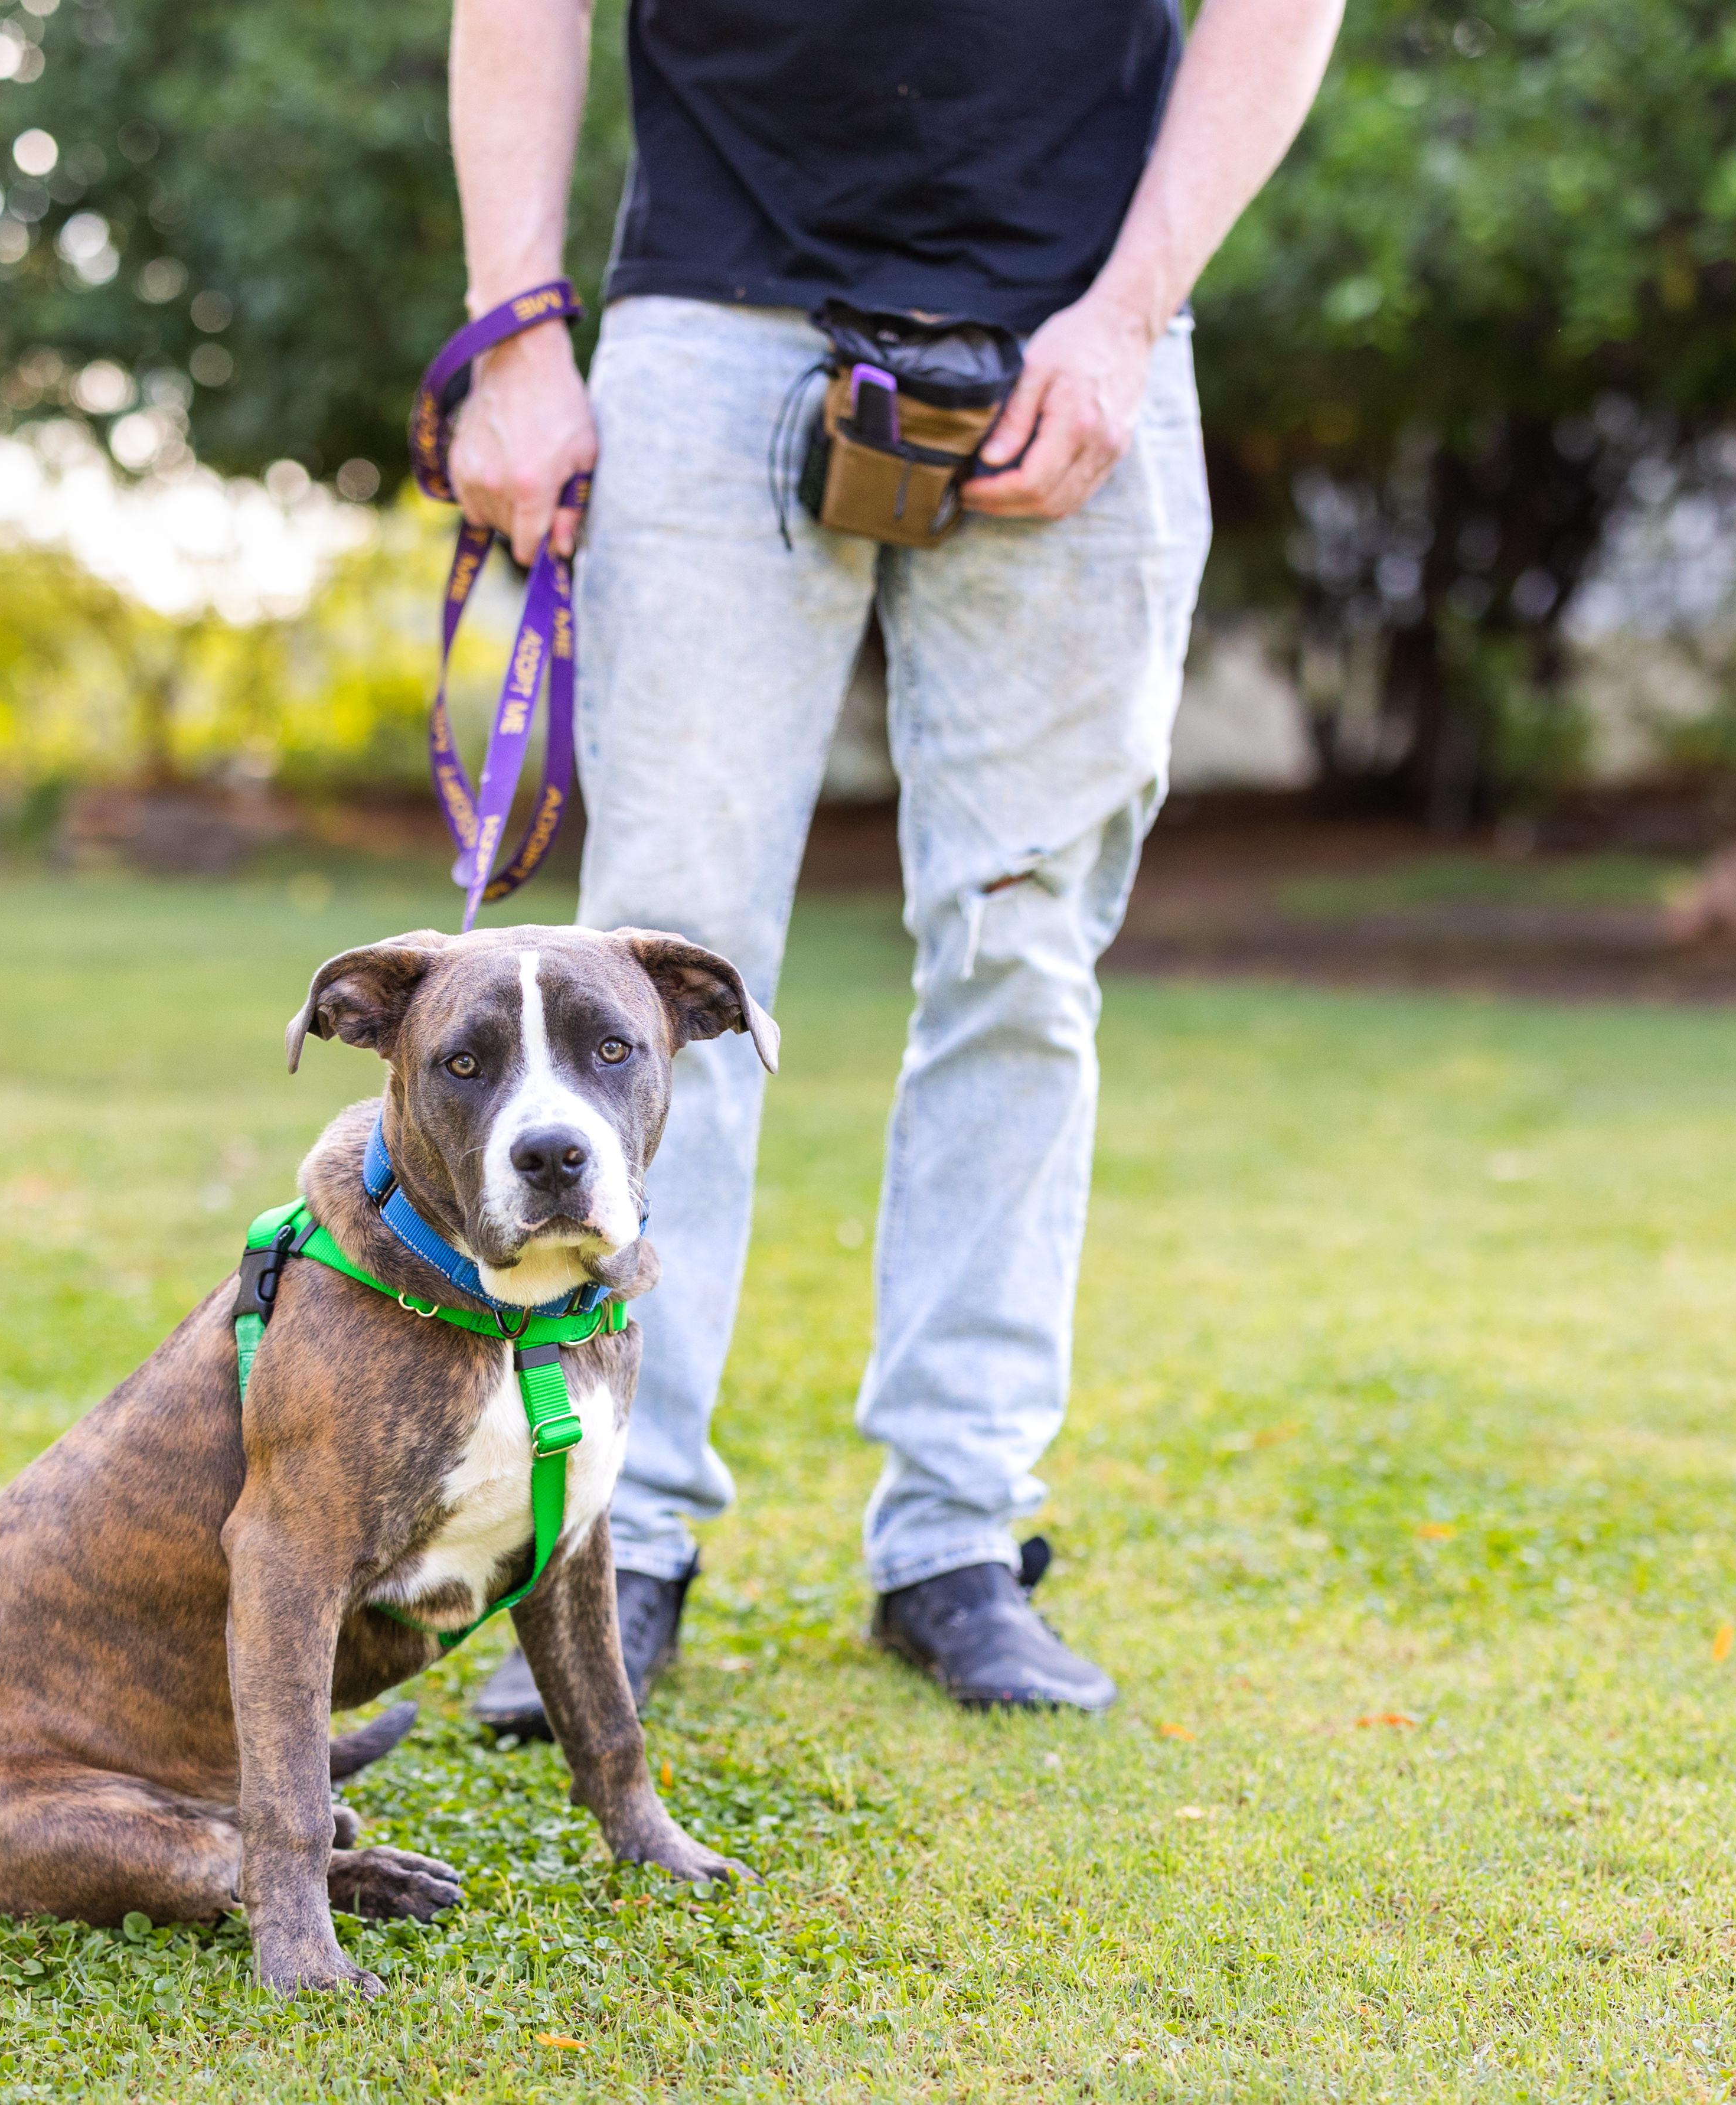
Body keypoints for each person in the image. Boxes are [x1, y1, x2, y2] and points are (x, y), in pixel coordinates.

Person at [446, 0, 1345, 1725]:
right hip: (712, 322)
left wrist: (1127, 318)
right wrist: (517, 334)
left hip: (1082, 331)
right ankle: (612, 1541)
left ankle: (956, 1538)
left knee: (1023, 958)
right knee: (656, 970)